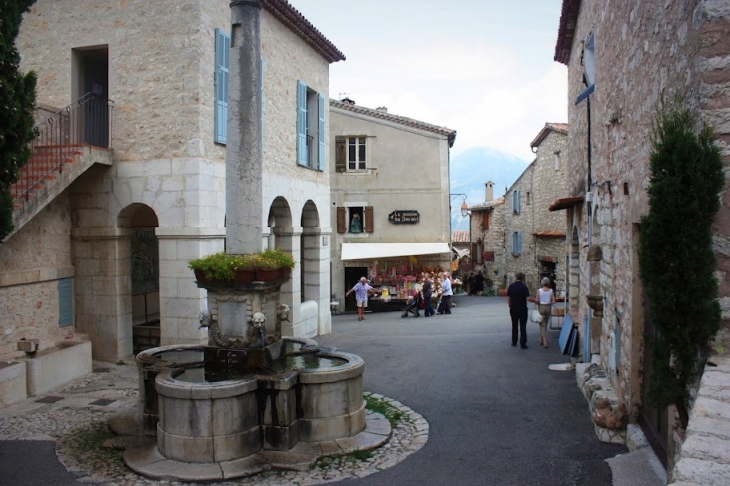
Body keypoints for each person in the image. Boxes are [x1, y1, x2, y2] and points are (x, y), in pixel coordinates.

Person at [507, 272, 531, 349]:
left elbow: (508, 297)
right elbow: (527, 297)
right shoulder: (524, 287)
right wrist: (536, 301)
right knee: (523, 326)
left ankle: (514, 341)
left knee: (514, 325)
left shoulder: (511, 286)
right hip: (523, 308)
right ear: (522, 278)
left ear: (516, 277)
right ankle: (523, 343)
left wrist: (510, 305)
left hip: (514, 308)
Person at [536, 277, 556, 348]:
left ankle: (544, 341)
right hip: (548, 307)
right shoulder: (551, 291)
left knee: (542, 324)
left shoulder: (539, 290)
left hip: (541, 307)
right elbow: (554, 301)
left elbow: (537, 300)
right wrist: (549, 301)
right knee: (545, 324)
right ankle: (541, 339)